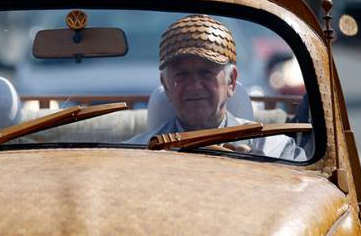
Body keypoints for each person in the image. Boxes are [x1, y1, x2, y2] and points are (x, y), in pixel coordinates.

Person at [127, 14, 304, 160]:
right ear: (166, 86)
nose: (194, 85)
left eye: (206, 73)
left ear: (231, 81)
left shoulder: (276, 151)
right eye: (181, 75)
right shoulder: (136, 154)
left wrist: (265, 170)